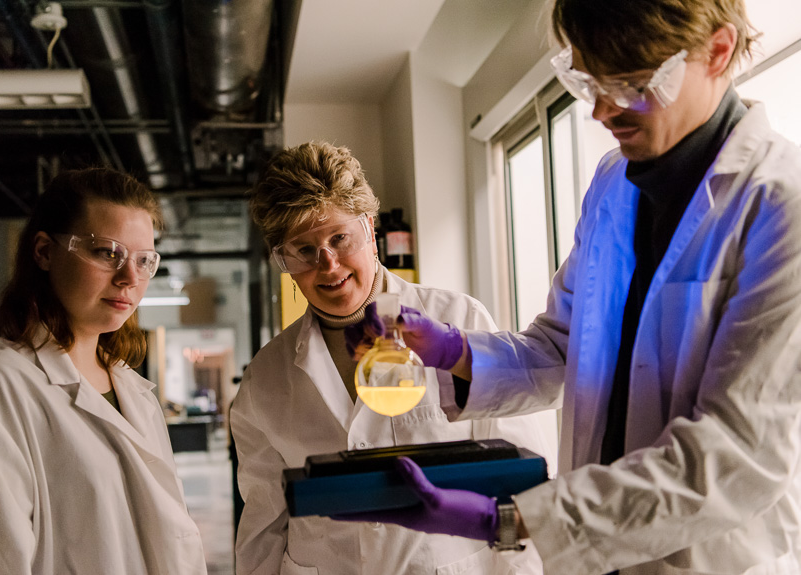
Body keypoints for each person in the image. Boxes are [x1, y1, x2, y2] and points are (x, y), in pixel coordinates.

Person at [342, 0, 801, 573]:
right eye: (585, 79)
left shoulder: (781, 205)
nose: (601, 110)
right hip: (596, 553)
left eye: (632, 83)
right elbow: (562, 348)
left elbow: (736, 458)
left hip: (709, 559)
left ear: (718, 51)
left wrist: (507, 520)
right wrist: (455, 352)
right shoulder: (615, 182)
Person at [230, 141, 558, 575]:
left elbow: (523, 474)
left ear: (370, 229)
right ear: (282, 261)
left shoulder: (459, 319)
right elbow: (264, 523)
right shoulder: (265, 378)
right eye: (303, 250)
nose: (328, 265)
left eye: (339, 238)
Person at [0, 168, 207, 574]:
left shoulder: (134, 391)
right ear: (44, 251)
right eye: (106, 252)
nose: (129, 278)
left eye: (143, 260)